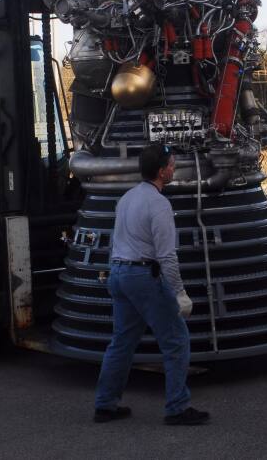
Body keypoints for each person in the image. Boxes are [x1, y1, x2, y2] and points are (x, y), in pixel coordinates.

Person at [93, 143, 210, 426]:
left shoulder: (127, 198)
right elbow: (167, 256)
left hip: (119, 274)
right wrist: (180, 292)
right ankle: (177, 407)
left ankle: (105, 405)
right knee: (176, 340)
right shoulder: (159, 204)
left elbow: (115, 241)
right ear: (161, 172)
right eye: (171, 165)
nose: (173, 168)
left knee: (121, 342)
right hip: (143, 276)